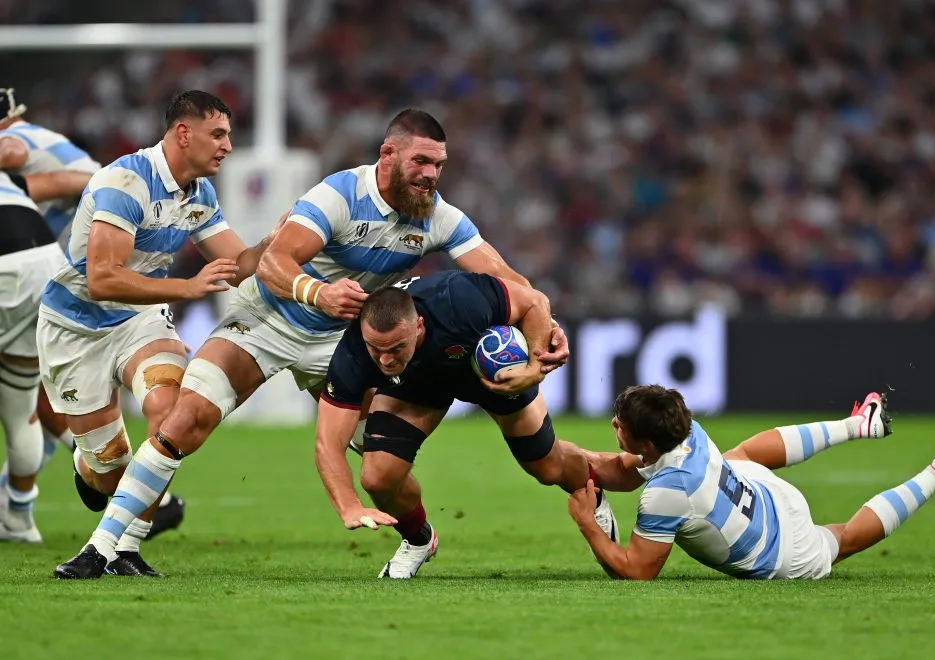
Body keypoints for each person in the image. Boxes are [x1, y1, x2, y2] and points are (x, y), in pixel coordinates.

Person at [51, 108, 569, 578]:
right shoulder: (338, 195)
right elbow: (274, 263)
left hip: (342, 345)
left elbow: (508, 280)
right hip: (266, 321)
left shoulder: (438, 217)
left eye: (439, 165)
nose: (432, 174)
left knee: (383, 465)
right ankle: (108, 547)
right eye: (421, 162)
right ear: (388, 154)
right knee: (185, 419)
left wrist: (547, 326)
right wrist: (317, 292)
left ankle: (419, 536)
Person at [60, 270, 614, 580]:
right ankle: (419, 539)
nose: (385, 360)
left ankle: (591, 484)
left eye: (396, 349)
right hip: (419, 392)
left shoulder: (459, 299)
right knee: (377, 476)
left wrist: (537, 355)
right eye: (378, 351)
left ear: (419, 328)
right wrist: (347, 505)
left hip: (489, 372)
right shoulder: (355, 356)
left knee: (545, 466)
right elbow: (327, 443)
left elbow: (533, 301)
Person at [40, 90, 276, 578]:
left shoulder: (200, 195)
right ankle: (88, 467)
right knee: (108, 470)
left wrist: (279, 241)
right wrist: (186, 287)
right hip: (74, 328)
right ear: (183, 133)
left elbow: (237, 266)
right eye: (218, 134)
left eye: (229, 135)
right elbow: (101, 277)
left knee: (169, 411)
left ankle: (125, 549)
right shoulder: (126, 182)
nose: (228, 146)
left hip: (140, 320)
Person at [0, 88, 184, 538]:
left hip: (71, 267)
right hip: (45, 257)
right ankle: (23, 508)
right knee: (26, 397)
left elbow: (13, 151)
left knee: (34, 398)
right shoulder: (42, 154)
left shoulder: (19, 140)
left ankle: (72, 482)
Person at [567, 385, 935, 580]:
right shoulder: (686, 430)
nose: (613, 424)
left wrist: (588, 522)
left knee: (842, 538)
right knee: (740, 456)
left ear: (646, 442)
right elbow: (623, 466)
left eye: (620, 424)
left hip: (782, 551)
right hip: (762, 493)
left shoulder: (667, 493)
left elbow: (638, 571)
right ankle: (857, 425)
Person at [0, 167, 94, 542]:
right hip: (45, 261)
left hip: (4, 263)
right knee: (21, 408)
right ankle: (19, 518)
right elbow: (54, 182)